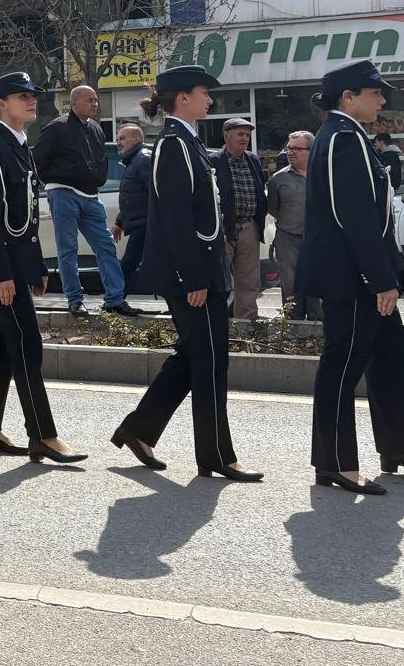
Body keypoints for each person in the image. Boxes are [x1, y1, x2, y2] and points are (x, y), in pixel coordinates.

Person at [111, 67, 263, 483]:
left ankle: (139, 430)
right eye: (203, 93)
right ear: (182, 98)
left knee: (195, 356)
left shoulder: (189, 142)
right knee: (211, 361)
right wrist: (194, 278)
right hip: (190, 277)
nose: (209, 100)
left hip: (204, 272)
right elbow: (175, 219)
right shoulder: (174, 146)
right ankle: (216, 454)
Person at [301, 60, 404, 495]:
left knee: (388, 354)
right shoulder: (343, 140)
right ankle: (335, 462)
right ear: (348, 96)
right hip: (352, 276)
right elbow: (356, 219)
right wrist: (380, 279)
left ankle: (400, 446)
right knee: (343, 364)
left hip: (361, 272)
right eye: (375, 93)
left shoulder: (348, 136)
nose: (382, 100)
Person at [0, 72, 86, 462]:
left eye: (33, 95)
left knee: (0, 345)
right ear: (1, 104)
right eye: (23, 96)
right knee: (26, 345)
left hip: (15, 263)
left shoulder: (20, 146)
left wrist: (37, 267)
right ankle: (44, 435)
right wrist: (2, 274)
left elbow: (27, 217)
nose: (32, 101)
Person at [34, 85, 135, 317]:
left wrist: (97, 177)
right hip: (63, 194)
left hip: (91, 196)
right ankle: (74, 299)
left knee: (106, 245)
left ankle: (115, 299)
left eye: (96, 100)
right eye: (89, 100)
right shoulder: (56, 128)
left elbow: (100, 158)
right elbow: (38, 161)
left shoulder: (96, 129)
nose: (95, 104)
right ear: (74, 103)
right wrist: (57, 181)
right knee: (68, 249)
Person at [211, 116, 267, 319]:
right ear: (227, 135)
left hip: (250, 225)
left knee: (249, 280)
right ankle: (217, 320)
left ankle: (247, 323)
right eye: (240, 134)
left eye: (248, 134)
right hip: (225, 227)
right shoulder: (214, 160)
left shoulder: (253, 159)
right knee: (219, 278)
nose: (245, 138)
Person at [266, 130, 320, 321]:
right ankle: (292, 324)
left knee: (317, 282)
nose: (290, 152)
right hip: (288, 238)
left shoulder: (323, 174)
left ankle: (318, 323)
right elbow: (273, 209)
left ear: (311, 151)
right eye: (288, 148)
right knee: (289, 285)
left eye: (296, 149)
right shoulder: (278, 179)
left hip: (318, 239)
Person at [112, 124, 151, 296]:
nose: (118, 142)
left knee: (128, 263)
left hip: (146, 223)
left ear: (136, 139)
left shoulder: (143, 159)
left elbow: (155, 192)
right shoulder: (134, 160)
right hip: (141, 223)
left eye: (122, 138)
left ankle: (116, 299)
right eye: (117, 138)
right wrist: (120, 222)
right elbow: (134, 196)